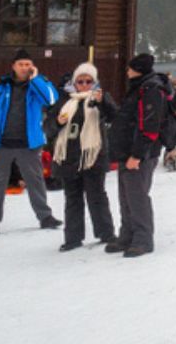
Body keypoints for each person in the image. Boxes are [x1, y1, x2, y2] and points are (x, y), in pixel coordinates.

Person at [0, 49, 61, 239]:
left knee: (36, 183)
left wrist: (36, 79)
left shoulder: (38, 85)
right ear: (13, 66)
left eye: (28, 64)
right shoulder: (0, 86)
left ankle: (45, 218)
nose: (24, 68)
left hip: (28, 145)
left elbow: (52, 99)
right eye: (21, 64)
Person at [105, 53, 168, 257]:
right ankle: (127, 235)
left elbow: (150, 127)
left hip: (140, 153)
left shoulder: (150, 89)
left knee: (137, 196)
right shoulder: (138, 88)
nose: (127, 71)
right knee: (125, 196)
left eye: (130, 68)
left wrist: (137, 155)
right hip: (127, 151)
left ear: (138, 69)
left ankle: (143, 238)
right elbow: (125, 118)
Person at [50, 62, 114, 252]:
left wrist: (102, 103)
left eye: (89, 81)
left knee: (97, 197)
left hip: (93, 156)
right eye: (80, 81)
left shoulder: (100, 97)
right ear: (74, 82)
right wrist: (57, 122)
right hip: (68, 156)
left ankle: (106, 233)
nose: (84, 85)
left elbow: (113, 117)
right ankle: (73, 238)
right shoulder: (64, 100)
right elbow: (48, 128)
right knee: (72, 198)